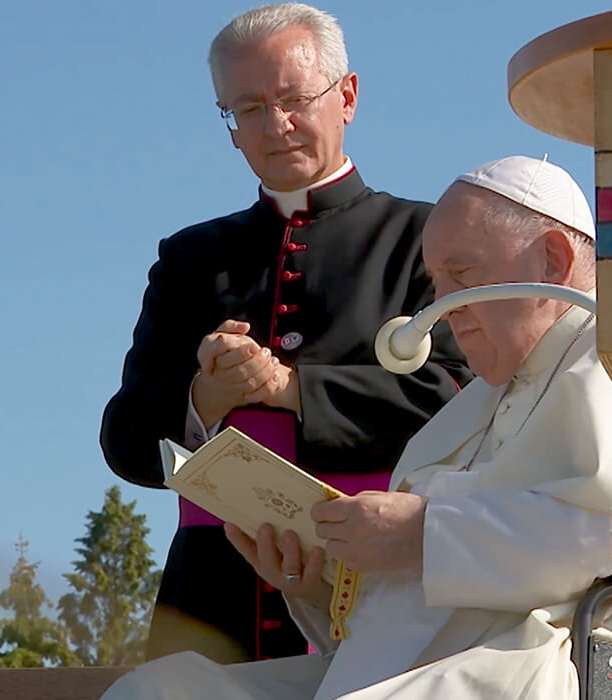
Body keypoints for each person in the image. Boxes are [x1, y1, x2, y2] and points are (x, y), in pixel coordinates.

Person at [98, 155, 612, 700]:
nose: (443, 309)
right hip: (454, 660)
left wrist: (422, 534)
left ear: (553, 261)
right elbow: (417, 602)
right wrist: (319, 583)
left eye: (462, 277)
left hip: (575, 655)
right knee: (156, 693)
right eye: (436, 283)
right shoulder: (474, 404)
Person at [99, 3, 472, 664]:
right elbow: (126, 441)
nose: (276, 125)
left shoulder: (425, 239)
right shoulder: (191, 260)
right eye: (248, 108)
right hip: (214, 597)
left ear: (346, 96)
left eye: (294, 99)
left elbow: (461, 398)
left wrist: (288, 388)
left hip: (384, 584)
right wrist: (206, 398)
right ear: (230, 127)